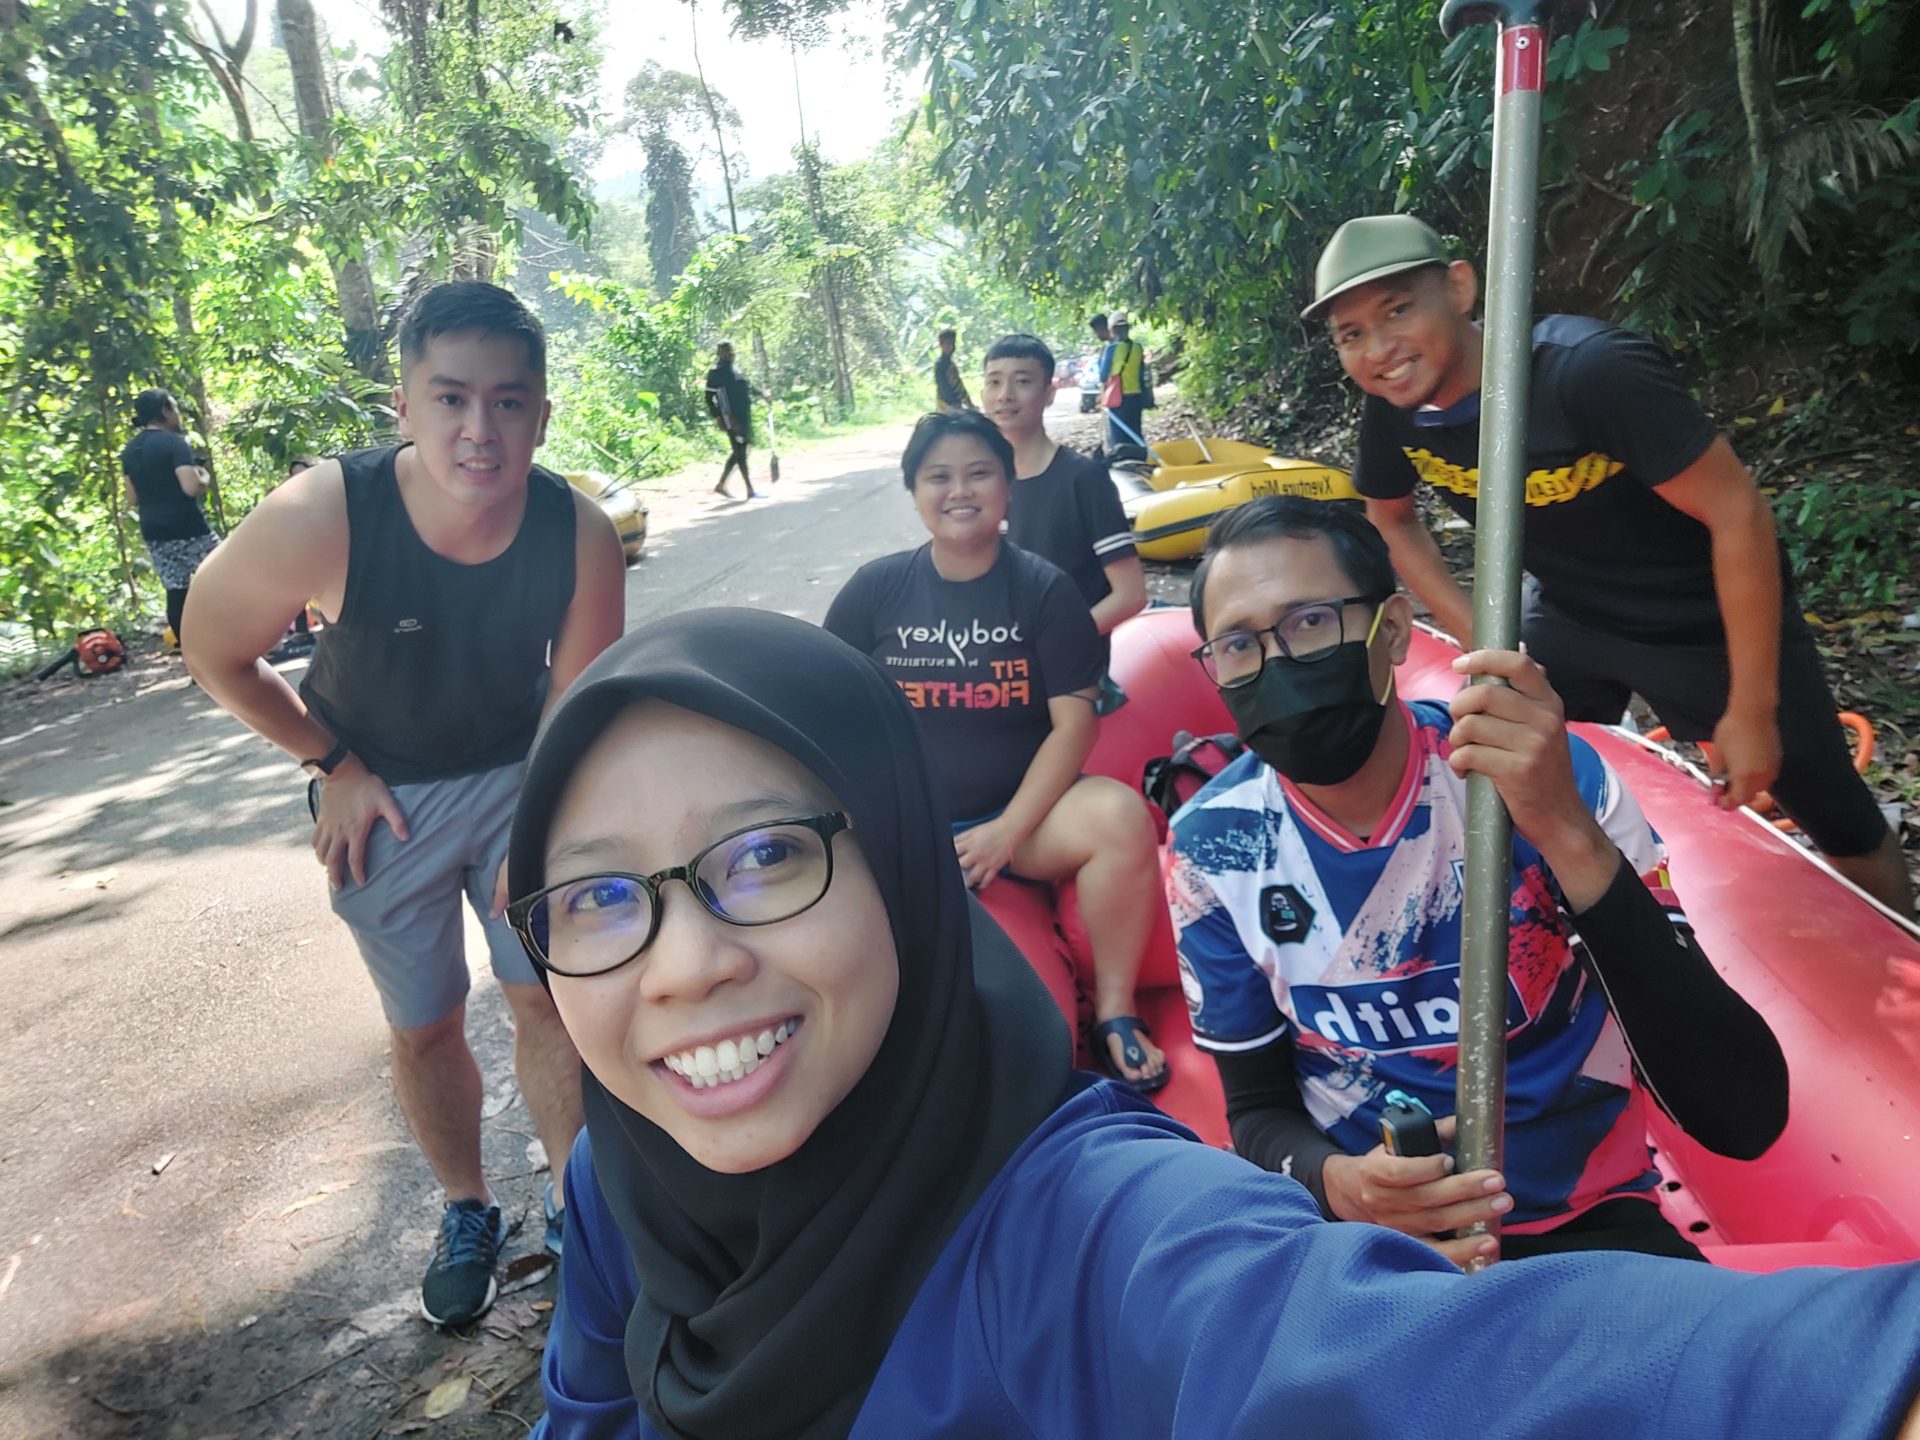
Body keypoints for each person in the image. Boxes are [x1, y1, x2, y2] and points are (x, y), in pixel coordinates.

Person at [505, 608, 1920, 1440]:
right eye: (596, 898)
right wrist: (1330, 1176)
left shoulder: (1088, 1232)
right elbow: (1254, 1106)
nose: (680, 968)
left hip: (1563, 1205)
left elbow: (1372, 1355)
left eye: (765, 856)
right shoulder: (627, 1181)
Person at [1169, 496, 1789, 1263]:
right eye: (1238, 643)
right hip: (1366, 1236)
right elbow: (1257, 1107)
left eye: (1311, 622)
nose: (1277, 662)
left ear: (1392, 628)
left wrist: (1563, 828)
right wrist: (1340, 1185)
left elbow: (1740, 1113)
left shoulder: (1547, 781)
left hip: (1583, 1222)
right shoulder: (1213, 847)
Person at [182, 281, 627, 1327]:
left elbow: (577, 702)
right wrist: (333, 764)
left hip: (522, 774)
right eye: (451, 398)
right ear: (404, 407)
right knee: (424, 1024)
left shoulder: (577, 532)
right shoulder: (327, 513)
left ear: (541, 415)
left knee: (548, 997)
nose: (481, 430)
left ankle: (577, 1204)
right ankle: (467, 1207)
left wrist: (542, 826)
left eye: (508, 403)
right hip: (379, 797)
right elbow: (213, 647)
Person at [1308, 213, 1913, 918]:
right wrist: (1482, 636)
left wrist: (1751, 710)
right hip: (1569, 614)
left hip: (1703, 622)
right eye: (1351, 334)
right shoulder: (1396, 406)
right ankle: (1585, 924)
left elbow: (1738, 512)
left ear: (1461, 288)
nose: (1379, 350)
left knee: (1838, 819)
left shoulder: (1587, 372)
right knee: (1508, 769)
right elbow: (1390, 517)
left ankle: (1899, 948)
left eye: (1397, 311)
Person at [823, 410, 1168, 1090]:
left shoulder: (1045, 590)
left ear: (1009, 487)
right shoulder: (875, 590)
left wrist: (1006, 832)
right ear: (914, 491)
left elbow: (1075, 726)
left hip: (1025, 823)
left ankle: (1115, 1011)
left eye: (979, 473)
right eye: (938, 477)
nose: (960, 491)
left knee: (1119, 815)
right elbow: (828, 705)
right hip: (908, 827)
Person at [982, 332, 1146, 709]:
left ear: (1049, 393)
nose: (1005, 394)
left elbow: (1130, 594)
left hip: (1069, 677)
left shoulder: (1083, 479)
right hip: (1000, 674)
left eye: (1022, 381)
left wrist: (1054, 644)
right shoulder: (981, 483)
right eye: (994, 381)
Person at [121, 388, 216, 650]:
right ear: (164, 411)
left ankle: (191, 654)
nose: (178, 415)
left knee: (176, 589)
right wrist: (203, 477)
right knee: (223, 572)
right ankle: (239, 639)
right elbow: (190, 487)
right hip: (187, 526)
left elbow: (132, 498)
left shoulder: (130, 450)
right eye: (174, 408)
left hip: (154, 530)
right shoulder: (174, 444)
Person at [704, 342, 759, 500]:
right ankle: (749, 488)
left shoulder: (735, 370)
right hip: (730, 417)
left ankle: (721, 485)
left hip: (743, 415)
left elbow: (748, 387)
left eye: (731, 351)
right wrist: (718, 417)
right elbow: (709, 398)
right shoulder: (716, 373)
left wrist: (763, 393)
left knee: (741, 450)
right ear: (720, 354)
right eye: (726, 352)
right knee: (740, 451)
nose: (730, 354)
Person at [1097, 309, 1149, 451]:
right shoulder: (1138, 348)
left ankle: (1123, 461)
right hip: (1136, 397)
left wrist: (1100, 359)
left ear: (1113, 329)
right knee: (1135, 434)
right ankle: (1139, 458)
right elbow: (1141, 374)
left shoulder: (1111, 349)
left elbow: (1102, 376)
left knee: (1119, 438)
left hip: (1118, 398)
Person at [932, 327, 972, 412]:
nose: (952, 347)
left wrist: (968, 403)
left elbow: (958, 385)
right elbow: (944, 387)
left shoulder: (950, 363)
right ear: (941, 345)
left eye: (953, 343)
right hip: (947, 405)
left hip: (955, 404)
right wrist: (953, 404)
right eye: (948, 344)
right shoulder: (940, 365)